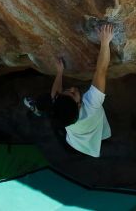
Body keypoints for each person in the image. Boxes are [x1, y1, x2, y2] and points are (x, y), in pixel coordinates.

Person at [25, 23, 114, 158]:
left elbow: (55, 93)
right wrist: (105, 41)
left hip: (70, 133)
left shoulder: (64, 112)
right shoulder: (91, 106)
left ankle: (39, 109)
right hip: (72, 146)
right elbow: (101, 71)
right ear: (79, 105)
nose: (72, 88)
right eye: (73, 94)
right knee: (62, 134)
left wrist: (60, 72)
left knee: (52, 113)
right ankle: (39, 110)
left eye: (67, 90)